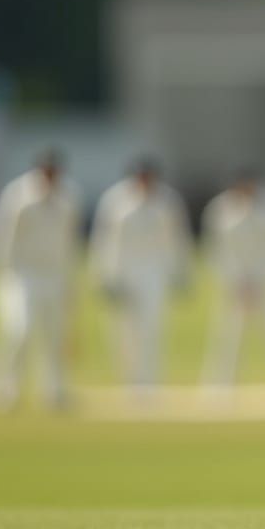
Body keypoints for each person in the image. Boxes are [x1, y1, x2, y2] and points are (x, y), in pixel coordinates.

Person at [0, 149, 82, 409]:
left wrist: (69, 280)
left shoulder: (69, 196)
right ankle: (7, 389)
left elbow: (69, 242)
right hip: (21, 273)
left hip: (55, 274)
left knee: (55, 334)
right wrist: (3, 271)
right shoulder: (19, 194)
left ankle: (55, 391)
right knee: (21, 329)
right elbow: (3, 236)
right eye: (47, 171)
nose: (51, 176)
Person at [199, 169, 265, 386]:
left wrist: (260, 278)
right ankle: (219, 385)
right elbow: (216, 248)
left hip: (263, 283)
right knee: (229, 335)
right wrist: (236, 279)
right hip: (235, 284)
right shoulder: (221, 208)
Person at [89, 158, 191, 388]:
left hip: (154, 270)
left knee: (152, 326)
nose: (145, 182)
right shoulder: (115, 200)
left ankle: (150, 381)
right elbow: (102, 240)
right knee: (124, 330)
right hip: (122, 270)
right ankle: (130, 379)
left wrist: (181, 273)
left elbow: (178, 239)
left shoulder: (168, 200)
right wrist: (102, 276)